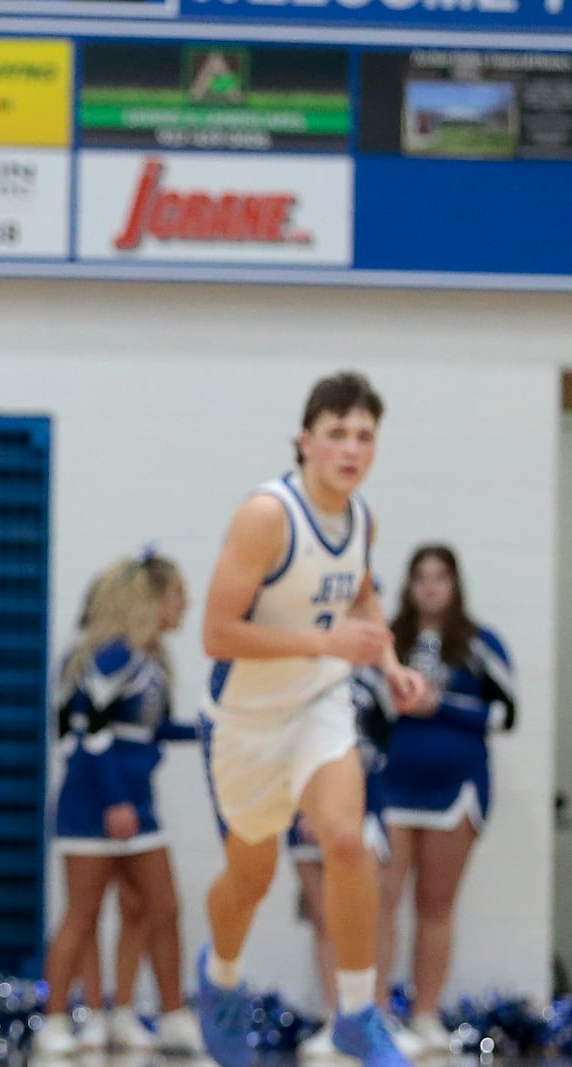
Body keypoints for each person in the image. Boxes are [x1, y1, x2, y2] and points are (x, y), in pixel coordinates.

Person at [194, 371, 426, 1067]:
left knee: (346, 840)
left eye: (364, 435)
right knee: (250, 878)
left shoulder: (362, 517)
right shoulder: (267, 515)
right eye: (337, 434)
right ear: (306, 440)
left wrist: (389, 665)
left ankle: (357, 1010)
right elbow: (216, 633)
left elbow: (360, 598)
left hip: (321, 703)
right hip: (245, 718)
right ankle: (221, 976)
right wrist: (327, 642)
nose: (352, 448)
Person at [36, 552, 203, 1058]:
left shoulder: (149, 661)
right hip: (95, 803)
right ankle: (56, 1020)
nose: (185, 605)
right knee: (82, 914)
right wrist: (114, 801)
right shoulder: (108, 657)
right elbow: (92, 734)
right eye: (176, 594)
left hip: (137, 803)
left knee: (158, 907)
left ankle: (154, 1014)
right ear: (146, 600)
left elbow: (145, 731)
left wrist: (209, 731)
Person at [375, 545, 515, 1056]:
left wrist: (441, 705)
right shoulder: (387, 642)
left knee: (435, 905)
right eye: (421, 577)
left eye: (440, 577)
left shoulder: (479, 643)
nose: (430, 587)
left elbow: (505, 714)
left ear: (455, 585)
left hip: (454, 792)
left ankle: (426, 1014)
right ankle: (375, 1013)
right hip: (390, 788)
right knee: (380, 902)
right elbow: (357, 704)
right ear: (409, 586)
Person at [290, 668, 410, 1058]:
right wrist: (313, 802)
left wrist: (344, 803)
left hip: (363, 799)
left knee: (369, 911)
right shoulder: (290, 672)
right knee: (325, 916)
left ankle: (374, 1012)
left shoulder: (372, 679)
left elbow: (381, 746)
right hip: (300, 803)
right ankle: (335, 1017)